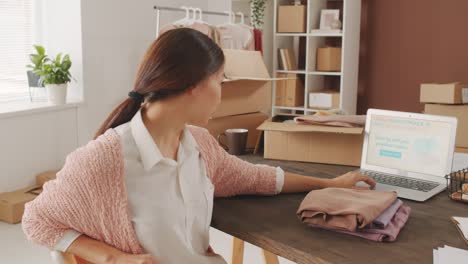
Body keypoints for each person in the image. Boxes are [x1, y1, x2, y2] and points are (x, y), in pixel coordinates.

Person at [22, 28, 375, 264]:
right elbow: (37, 219)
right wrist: (113, 258)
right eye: (220, 81)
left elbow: (257, 178)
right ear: (192, 86)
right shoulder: (104, 160)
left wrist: (330, 184)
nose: (222, 93)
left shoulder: (200, 146)